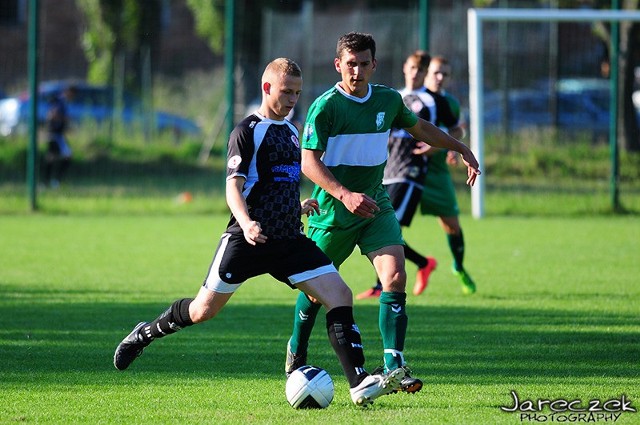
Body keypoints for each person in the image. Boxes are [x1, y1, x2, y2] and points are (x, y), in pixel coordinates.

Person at [112, 58, 406, 407]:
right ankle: (144, 333)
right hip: (247, 239)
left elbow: (276, 182)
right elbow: (233, 188)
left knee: (340, 294)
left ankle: (358, 382)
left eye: (297, 92)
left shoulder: (292, 131)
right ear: (267, 88)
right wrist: (247, 221)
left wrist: (296, 206)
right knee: (203, 310)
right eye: (286, 91)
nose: (293, 98)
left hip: (287, 239)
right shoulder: (247, 131)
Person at [285, 33, 480, 394]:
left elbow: (420, 128)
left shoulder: (389, 100)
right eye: (350, 64)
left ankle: (394, 366)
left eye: (363, 63)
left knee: (394, 278)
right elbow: (308, 162)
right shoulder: (326, 107)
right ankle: (296, 351)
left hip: (375, 204)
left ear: (374, 65)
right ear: (338, 65)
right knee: (315, 291)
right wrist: (344, 194)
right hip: (333, 211)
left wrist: (459, 146)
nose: (357, 71)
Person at [356, 50, 464, 300]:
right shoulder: (394, 97)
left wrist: (439, 147)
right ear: (405, 68)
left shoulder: (433, 101)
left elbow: (457, 129)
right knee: (380, 226)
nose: (416, 73)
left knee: (385, 227)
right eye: (412, 68)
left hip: (411, 172)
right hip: (387, 172)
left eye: (421, 70)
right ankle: (421, 264)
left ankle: (383, 283)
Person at [419, 55, 477, 295]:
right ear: (426, 73)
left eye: (445, 73)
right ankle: (384, 282)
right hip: (406, 171)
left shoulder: (449, 103)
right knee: (389, 225)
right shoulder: (414, 98)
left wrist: (448, 146)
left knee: (452, 225)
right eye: (436, 72)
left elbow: (457, 130)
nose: (440, 77)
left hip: (436, 172)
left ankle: (459, 266)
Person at [43, 85, 75, 188]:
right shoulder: (60, 101)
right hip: (54, 134)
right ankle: (53, 182)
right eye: (72, 94)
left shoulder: (60, 100)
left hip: (56, 134)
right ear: (69, 92)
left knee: (53, 157)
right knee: (61, 156)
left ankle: (50, 182)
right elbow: (52, 115)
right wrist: (64, 119)